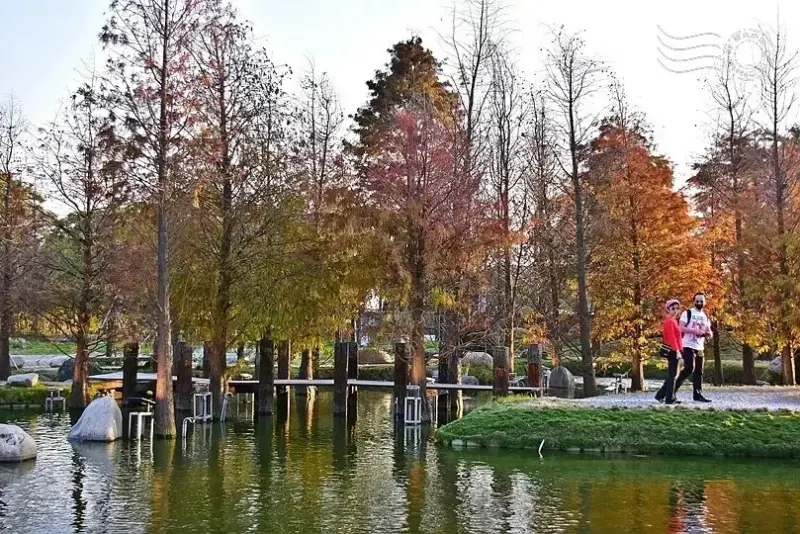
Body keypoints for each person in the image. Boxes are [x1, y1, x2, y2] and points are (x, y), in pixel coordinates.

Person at [675, 292, 712, 402]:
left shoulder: (705, 316)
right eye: (697, 301)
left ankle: (697, 395)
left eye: (701, 301)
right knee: (689, 368)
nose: (699, 303)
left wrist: (709, 334)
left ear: (705, 302)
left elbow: (708, 330)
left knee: (699, 371)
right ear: (694, 301)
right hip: (687, 345)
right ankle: (672, 390)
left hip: (699, 346)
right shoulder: (687, 313)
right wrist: (694, 331)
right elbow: (680, 328)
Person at [655, 299, 683, 404]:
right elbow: (671, 338)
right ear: (668, 310)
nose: (675, 311)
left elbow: (677, 337)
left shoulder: (673, 321)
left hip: (675, 350)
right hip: (672, 350)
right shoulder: (670, 321)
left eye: (677, 308)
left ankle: (661, 395)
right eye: (672, 309)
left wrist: (680, 350)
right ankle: (669, 398)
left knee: (673, 375)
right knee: (673, 376)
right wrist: (677, 351)